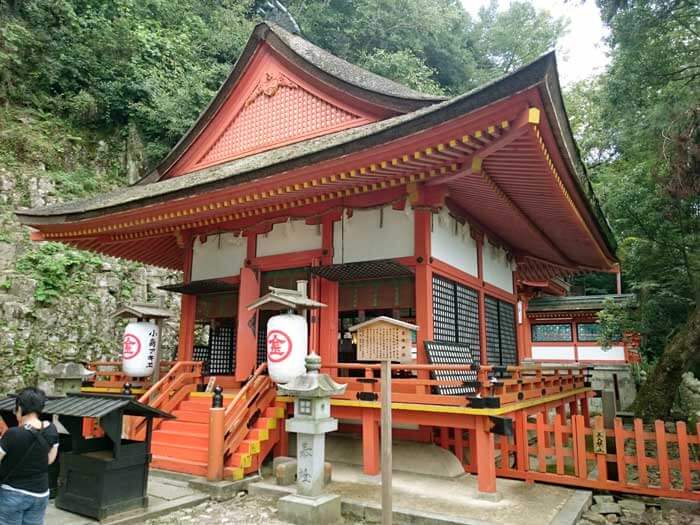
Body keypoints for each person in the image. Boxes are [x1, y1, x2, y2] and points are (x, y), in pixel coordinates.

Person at [0, 388, 59, 525]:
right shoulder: (51, 430)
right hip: (40, 493)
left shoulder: (13, 434)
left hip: (13, 493)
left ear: (19, 408)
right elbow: (50, 460)